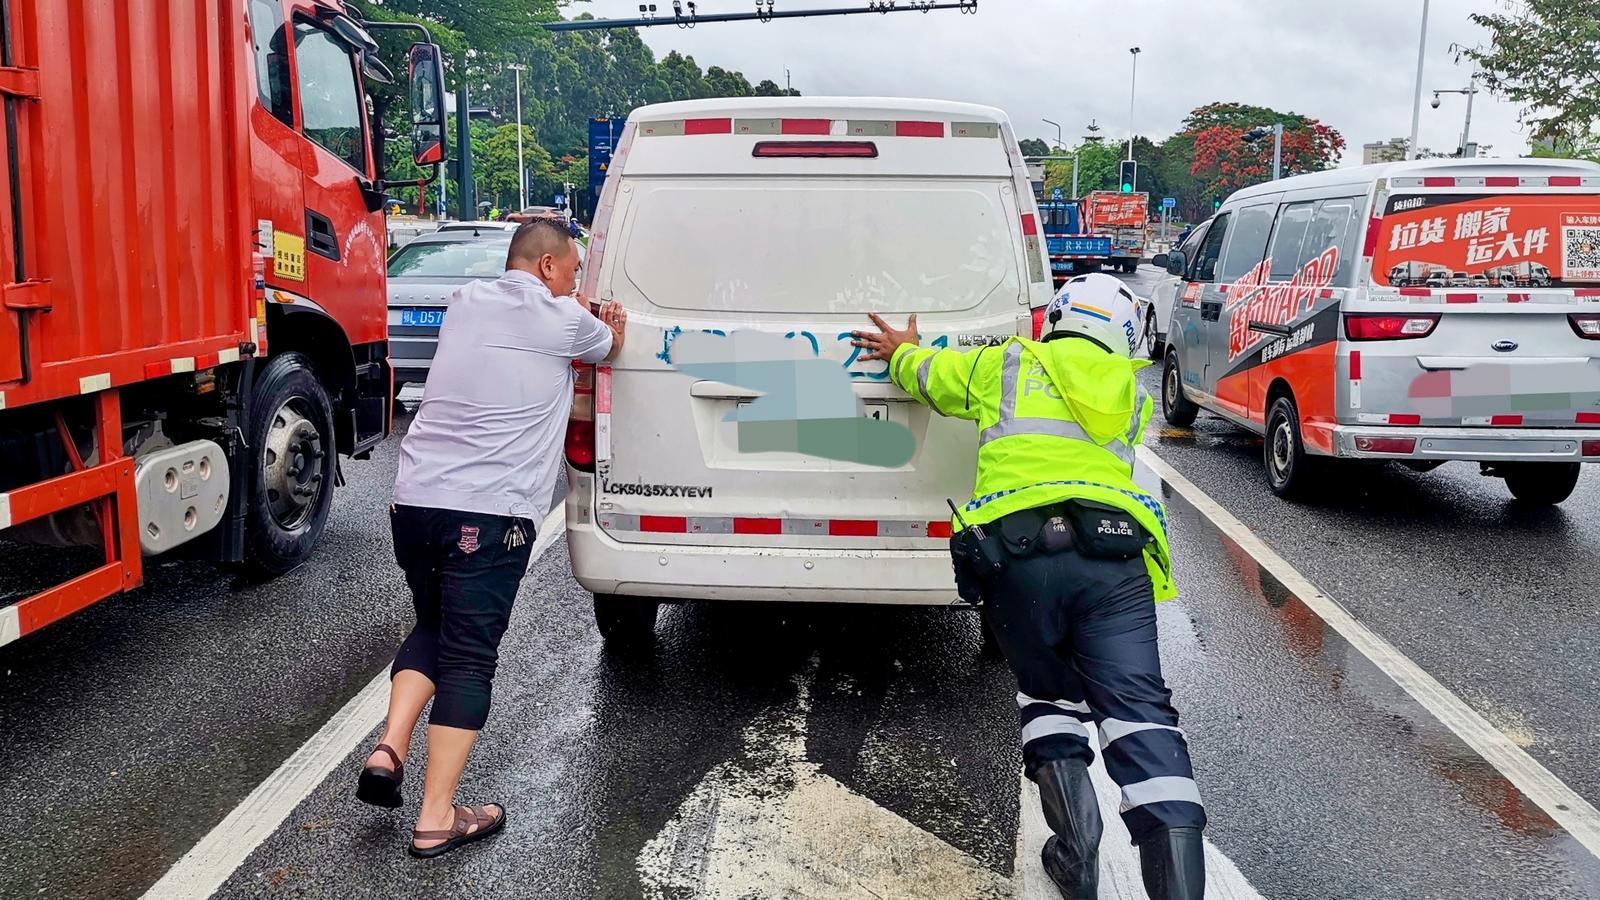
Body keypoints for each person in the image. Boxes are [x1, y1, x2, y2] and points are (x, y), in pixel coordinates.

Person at [851, 273, 1205, 900]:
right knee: (1141, 715)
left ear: (1059, 317)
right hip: (1114, 560)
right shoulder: (1129, 389)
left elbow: (933, 377)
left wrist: (905, 350)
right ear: (1122, 335)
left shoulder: (1007, 364)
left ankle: (1076, 853)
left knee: (1048, 697)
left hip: (1018, 556)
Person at [355, 217, 627, 858]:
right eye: (573, 271)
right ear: (550, 268)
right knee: (470, 657)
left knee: (434, 622)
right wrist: (606, 322)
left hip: (415, 501)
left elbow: (531, 327)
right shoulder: (563, 322)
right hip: (487, 514)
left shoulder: (467, 301)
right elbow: (608, 345)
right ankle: (436, 817)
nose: (575, 283)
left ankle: (389, 748)